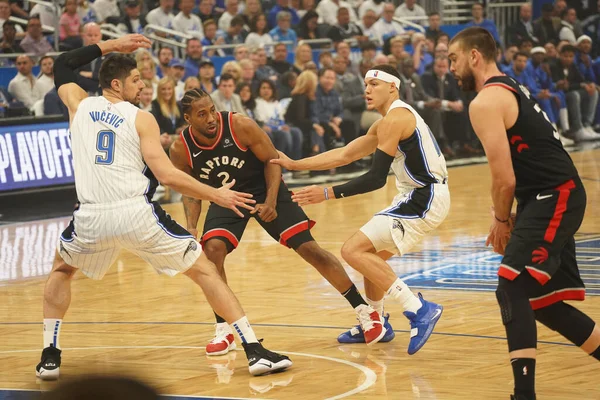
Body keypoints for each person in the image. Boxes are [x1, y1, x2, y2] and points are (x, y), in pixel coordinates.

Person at [36, 34, 292, 381]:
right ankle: (254, 350)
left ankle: (50, 355)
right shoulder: (141, 118)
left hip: (90, 217)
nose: (143, 85)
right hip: (135, 213)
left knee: (61, 272)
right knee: (204, 271)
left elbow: (64, 63)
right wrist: (217, 195)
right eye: (136, 80)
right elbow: (167, 175)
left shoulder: (78, 103)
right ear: (117, 83)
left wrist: (114, 44)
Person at [169, 88, 391, 356]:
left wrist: (272, 201)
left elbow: (272, 160)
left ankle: (365, 312)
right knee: (212, 250)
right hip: (227, 198)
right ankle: (225, 329)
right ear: (188, 118)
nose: (211, 118)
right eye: (202, 114)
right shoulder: (180, 148)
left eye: (212, 110)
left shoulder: (240, 125)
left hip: (265, 189)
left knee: (310, 249)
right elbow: (190, 190)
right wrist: (191, 225)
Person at [448, 27, 600, 400]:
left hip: (555, 195)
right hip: (549, 196)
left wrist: (501, 221)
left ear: (473, 56)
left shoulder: (485, 101)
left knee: (511, 285)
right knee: (542, 302)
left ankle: (524, 395)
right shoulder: (511, 86)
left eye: (452, 58)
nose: (448, 68)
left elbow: (504, 178)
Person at [272, 64, 447, 353]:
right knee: (369, 256)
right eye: (365, 84)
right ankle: (376, 322)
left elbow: (376, 179)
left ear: (393, 86)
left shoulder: (396, 119)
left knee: (352, 250)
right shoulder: (384, 123)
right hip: (419, 196)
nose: (367, 89)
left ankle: (419, 309)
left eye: (374, 84)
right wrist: (294, 164)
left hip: (424, 196)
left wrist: (327, 193)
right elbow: (345, 154)